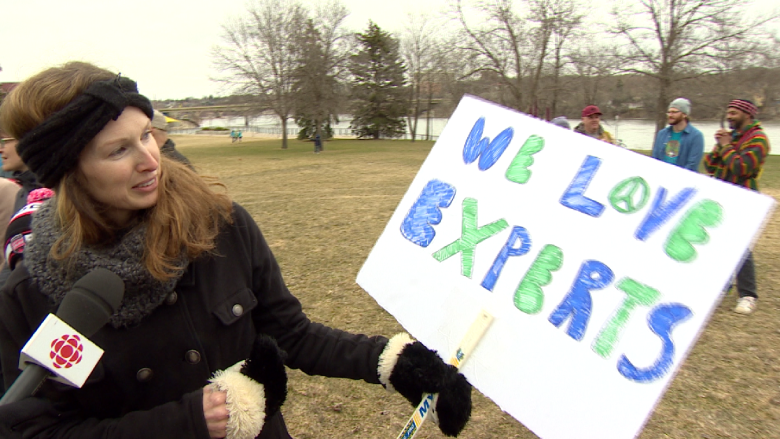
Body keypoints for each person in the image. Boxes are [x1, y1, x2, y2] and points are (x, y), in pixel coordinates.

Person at [0, 62, 472, 439]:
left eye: (146, 135)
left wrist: (391, 361)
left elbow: (292, 333)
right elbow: (36, 429)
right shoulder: (28, 294)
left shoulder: (220, 225)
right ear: (69, 172)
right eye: (118, 150)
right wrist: (193, 422)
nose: (150, 161)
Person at [704, 99, 771, 315]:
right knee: (718, 241)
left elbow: (742, 167)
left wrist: (726, 147)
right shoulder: (730, 138)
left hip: (744, 197)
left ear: (747, 114)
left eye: (734, 113)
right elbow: (710, 165)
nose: (730, 116)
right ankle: (721, 285)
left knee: (741, 247)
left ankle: (748, 295)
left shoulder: (759, 139)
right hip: (723, 195)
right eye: (728, 112)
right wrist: (719, 146)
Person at [651, 98, 704, 172]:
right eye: (669, 112)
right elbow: (655, 159)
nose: (670, 115)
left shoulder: (696, 136)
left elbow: (692, 164)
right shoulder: (662, 134)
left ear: (684, 114)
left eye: (674, 112)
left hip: (683, 180)